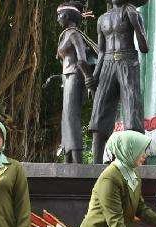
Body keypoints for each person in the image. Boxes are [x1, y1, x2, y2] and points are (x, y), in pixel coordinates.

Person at [89, 0, 149, 164]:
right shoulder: (102, 19)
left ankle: (134, 161)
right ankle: (95, 164)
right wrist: (94, 76)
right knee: (99, 112)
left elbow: (144, 48)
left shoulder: (131, 13)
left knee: (132, 110)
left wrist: (136, 22)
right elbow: (101, 52)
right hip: (107, 64)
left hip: (127, 61)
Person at [56, 1, 95, 163]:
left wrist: (88, 78)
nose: (58, 18)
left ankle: (77, 160)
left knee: (72, 117)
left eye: (60, 15)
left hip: (75, 76)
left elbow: (82, 59)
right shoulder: (66, 34)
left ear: (68, 16)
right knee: (66, 117)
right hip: (67, 77)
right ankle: (67, 157)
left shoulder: (74, 34)